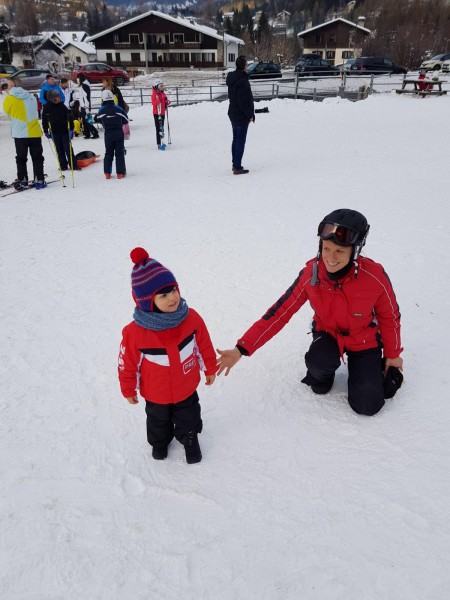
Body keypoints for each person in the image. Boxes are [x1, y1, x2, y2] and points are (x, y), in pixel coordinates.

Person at [217, 209, 404, 417]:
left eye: (340, 251)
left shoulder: (374, 277)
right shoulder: (311, 275)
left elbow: (390, 317)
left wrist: (393, 355)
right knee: (319, 376)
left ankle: (367, 369)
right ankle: (324, 373)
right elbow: (279, 313)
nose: (330, 258)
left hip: (364, 340)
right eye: (326, 248)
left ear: (355, 251)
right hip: (328, 334)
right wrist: (241, 349)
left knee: (368, 405)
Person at [118, 247, 217, 463]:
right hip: (155, 392)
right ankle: (160, 443)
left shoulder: (191, 318)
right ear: (146, 301)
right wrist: (128, 389)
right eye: (163, 295)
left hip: (186, 383)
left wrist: (210, 367)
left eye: (173, 290)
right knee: (157, 421)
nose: (172, 297)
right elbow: (127, 364)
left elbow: (204, 345)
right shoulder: (134, 333)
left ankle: (189, 437)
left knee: (189, 415)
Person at [3, 77, 46, 189]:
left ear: (10, 87)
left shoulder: (9, 99)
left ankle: (23, 180)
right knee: (37, 157)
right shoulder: (31, 97)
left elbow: (5, 114)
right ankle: (39, 179)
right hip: (34, 132)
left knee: (21, 158)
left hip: (20, 134)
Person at [226, 55, 255, 175]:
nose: (247, 67)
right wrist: (249, 115)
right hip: (240, 115)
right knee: (240, 141)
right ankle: (237, 166)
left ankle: (235, 164)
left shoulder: (233, 78)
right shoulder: (242, 81)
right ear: (243, 66)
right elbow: (242, 101)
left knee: (235, 140)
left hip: (233, 113)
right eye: (247, 65)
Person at [95, 89, 128, 179]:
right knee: (119, 153)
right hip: (118, 133)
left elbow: (97, 119)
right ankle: (120, 173)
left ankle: (107, 173)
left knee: (108, 153)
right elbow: (126, 120)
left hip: (108, 134)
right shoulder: (119, 109)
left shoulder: (101, 110)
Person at [42, 89, 77, 172]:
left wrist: (71, 129)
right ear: (52, 98)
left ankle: (73, 165)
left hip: (64, 131)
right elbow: (44, 120)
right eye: (57, 97)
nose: (59, 98)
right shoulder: (47, 107)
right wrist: (46, 130)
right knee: (59, 149)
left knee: (68, 148)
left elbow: (69, 118)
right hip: (54, 132)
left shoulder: (62, 106)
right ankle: (63, 165)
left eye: (59, 96)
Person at [76, 73, 99, 139]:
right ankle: (87, 134)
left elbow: (86, 97)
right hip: (83, 106)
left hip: (86, 106)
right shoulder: (82, 86)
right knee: (84, 121)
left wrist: (86, 107)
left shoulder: (84, 86)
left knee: (88, 121)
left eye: (78, 78)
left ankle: (95, 133)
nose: (77, 80)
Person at [151, 79, 170, 150]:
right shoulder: (154, 94)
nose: (162, 87)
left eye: (163, 86)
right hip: (156, 113)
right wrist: (159, 99)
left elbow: (165, 100)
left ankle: (163, 141)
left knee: (162, 127)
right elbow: (154, 103)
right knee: (158, 128)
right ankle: (158, 143)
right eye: (161, 86)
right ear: (156, 86)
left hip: (162, 113)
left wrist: (167, 101)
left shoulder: (163, 93)